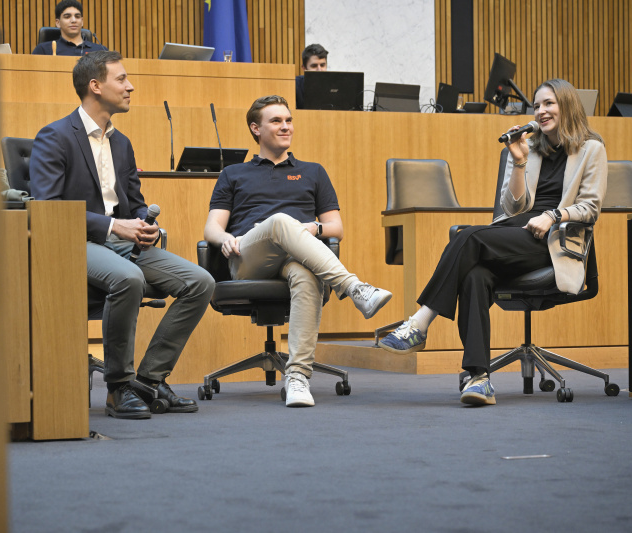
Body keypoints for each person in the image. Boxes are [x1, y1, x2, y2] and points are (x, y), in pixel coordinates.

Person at [378, 78, 607, 406]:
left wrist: (553, 216)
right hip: (519, 234)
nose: (540, 111)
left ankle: (420, 322)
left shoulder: (591, 149)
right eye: (537, 105)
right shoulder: (531, 148)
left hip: (553, 242)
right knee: (475, 275)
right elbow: (512, 208)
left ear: (567, 106)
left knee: (467, 236)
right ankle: (479, 378)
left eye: (548, 104)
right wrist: (518, 160)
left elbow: (590, 208)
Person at [29, 51, 214, 419]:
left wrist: (145, 222)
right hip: (75, 242)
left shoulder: (122, 142)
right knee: (128, 278)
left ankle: (149, 379)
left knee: (201, 281)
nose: (130, 86)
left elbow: (135, 202)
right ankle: (118, 386)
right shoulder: (55, 136)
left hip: (126, 243)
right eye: (121, 79)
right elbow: (47, 209)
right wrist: (114, 226)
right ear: (95, 86)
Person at [204, 95, 392, 408]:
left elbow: (335, 228)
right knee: (279, 222)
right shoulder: (233, 174)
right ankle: (353, 287)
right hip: (249, 257)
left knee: (307, 274)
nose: (285, 126)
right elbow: (211, 228)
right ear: (256, 129)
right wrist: (223, 238)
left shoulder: (313, 172)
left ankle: (297, 376)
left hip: (297, 257)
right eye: (276, 121)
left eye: (288, 120)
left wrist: (312, 228)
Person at [31, 0, 108, 56]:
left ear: (82, 21)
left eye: (77, 16)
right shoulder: (44, 50)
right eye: (67, 17)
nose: (73, 20)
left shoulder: (100, 51)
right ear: (58, 23)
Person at [295, 43, 328, 109]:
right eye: (314, 66)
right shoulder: (295, 84)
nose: (319, 70)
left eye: (322, 65)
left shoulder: (335, 84)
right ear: (304, 68)